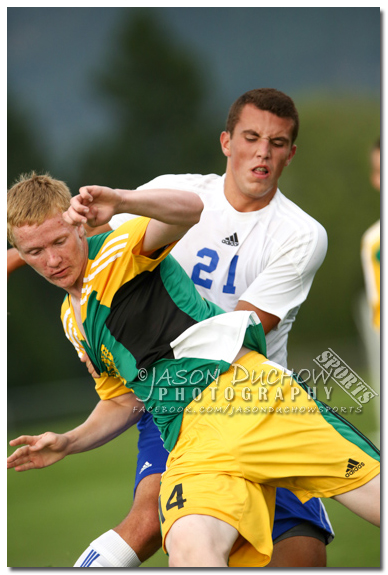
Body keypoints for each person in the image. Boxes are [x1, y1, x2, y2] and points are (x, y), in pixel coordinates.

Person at [7, 89, 334, 567]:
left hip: (251, 393)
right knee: (152, 523)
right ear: (226, 142)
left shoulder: (300, 233)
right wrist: (20, 252)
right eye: (251, 137)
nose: (262, 152)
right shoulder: (173, 186)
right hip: (169, 401)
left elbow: (232, 337)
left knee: (300, 554)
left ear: (291, 152)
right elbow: (83, 231)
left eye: (277, 142)